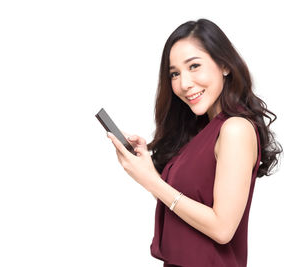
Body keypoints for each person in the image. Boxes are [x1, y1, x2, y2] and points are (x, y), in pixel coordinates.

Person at [106, 18, 283, 267]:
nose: (184, 83)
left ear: (224, 65)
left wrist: (152, 182)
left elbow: (223, 228)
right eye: (175, 73)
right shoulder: (202, 131)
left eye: (194, 66)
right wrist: (148, 168)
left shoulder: (235, 129)